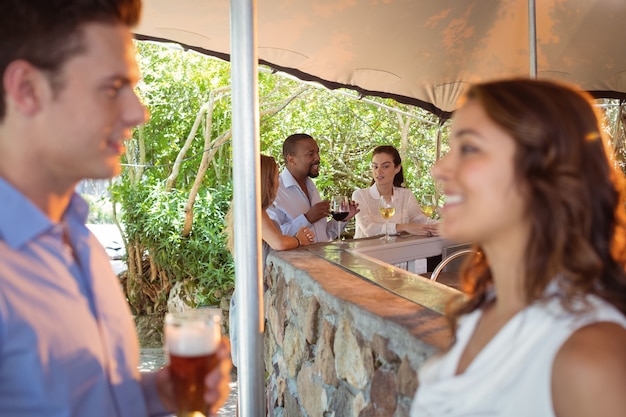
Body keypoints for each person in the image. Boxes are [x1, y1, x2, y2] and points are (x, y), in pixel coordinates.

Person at [0, 1, 231, 416]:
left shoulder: (81, 243)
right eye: (111, 88)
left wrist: (159, 397)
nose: (138, 112)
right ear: (27, 90)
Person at [410, 79, 626, 417]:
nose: (440, 168)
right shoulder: (485, 310)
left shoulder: (589, 356)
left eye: (469, 149)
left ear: (545, 173)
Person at [226, 154, 315, 367]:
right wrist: (299, 240)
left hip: (251, 297)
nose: (279, 183)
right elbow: (279, 243)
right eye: (276, 177)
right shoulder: (254, 212)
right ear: (266, 181)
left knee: (253, 375)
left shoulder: (252, 210)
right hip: (251, 300)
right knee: (252, 371)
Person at [267, 133, 359, 242]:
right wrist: (307, 218)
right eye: (311, 154)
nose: (318, 158)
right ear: (291, 160)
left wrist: (343, 219)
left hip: (320, 256)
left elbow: (323, 235)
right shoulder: (274, 191)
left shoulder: (311, 186)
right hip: (293, 259)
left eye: (317, 152)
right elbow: (274, 239)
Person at [351, 145, 439, 238]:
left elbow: (420, 220)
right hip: (366, 251)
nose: (379, 171)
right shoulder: (360, 195)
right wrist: (404, 227)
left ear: (397, 168)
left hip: (397, 250)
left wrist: (444, 226)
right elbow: (369, 229)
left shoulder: (406, 195)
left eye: (385, 166)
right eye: (375, 166)